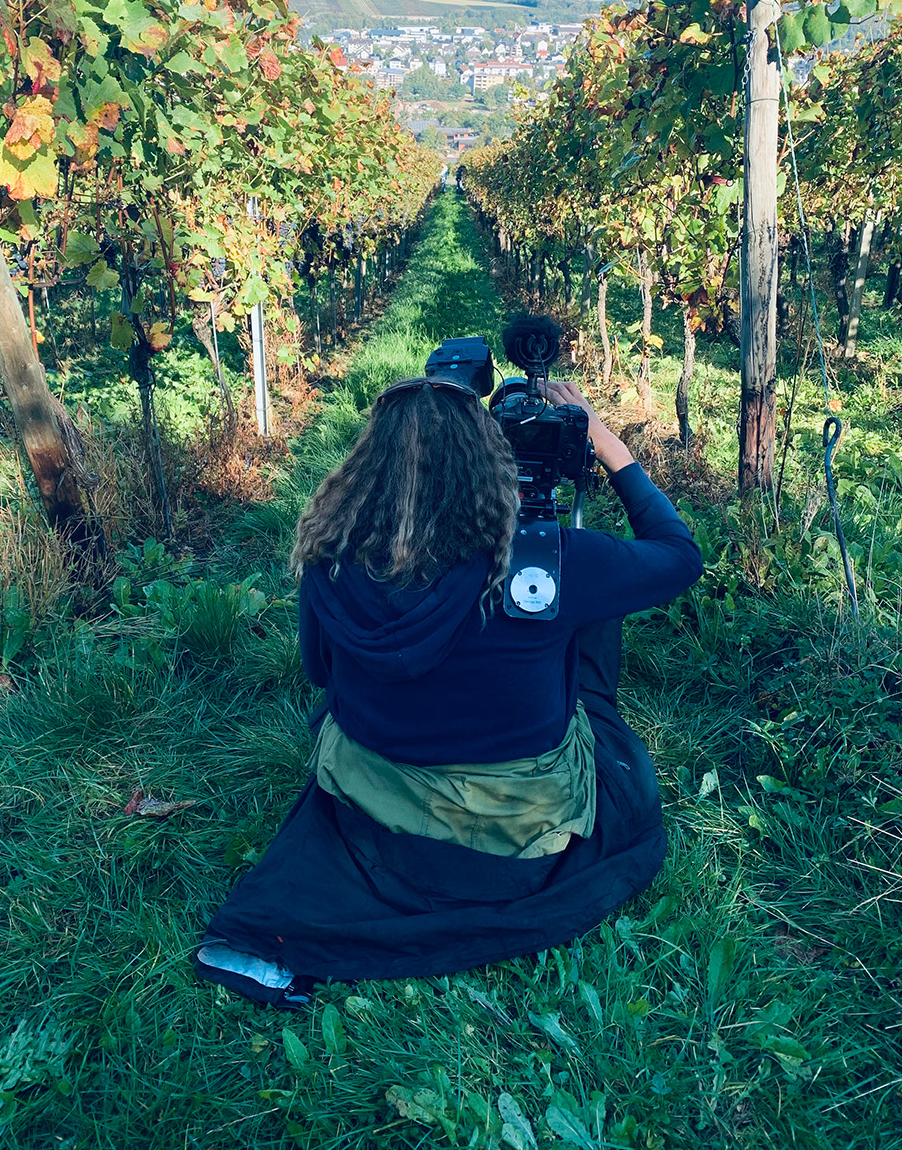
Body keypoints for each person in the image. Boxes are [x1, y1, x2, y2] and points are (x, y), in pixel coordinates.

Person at [196, 377, 703, 1007]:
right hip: (518, 838)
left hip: (381, 814)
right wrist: (606, 444)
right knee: (593, 660)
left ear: (365, 466)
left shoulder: (329, 557)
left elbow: (321, 676)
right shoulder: (552, 561)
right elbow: (679, 556)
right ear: (490, 462)